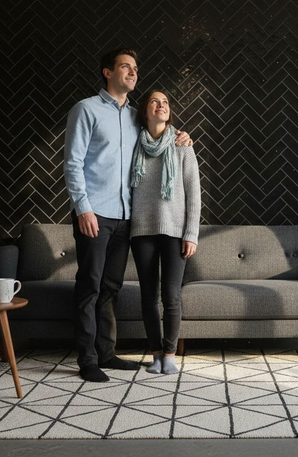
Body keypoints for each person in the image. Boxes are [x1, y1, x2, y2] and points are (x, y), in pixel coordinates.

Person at [63, 48, 192, 382]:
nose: (133, 72)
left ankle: (106, 353)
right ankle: (87, 360)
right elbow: (73, 162)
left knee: (110, 288)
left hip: (126, 217)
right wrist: (83, 208)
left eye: (135, 67)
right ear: (108, 72)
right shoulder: (86, 110)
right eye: (125, 67)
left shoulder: (136, 116)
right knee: (89, 286)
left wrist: (182, 135)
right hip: (94, 214)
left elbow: (159, 133)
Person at [129, 89, 201, 375]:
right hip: (141, 230)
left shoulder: (182, 145)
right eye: (154, 101)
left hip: (174, 230)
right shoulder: (132, 144)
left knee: (171, 296)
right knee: (148, 296)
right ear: (145, 111)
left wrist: (191, 233)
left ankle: (170, 354)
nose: (161, 105)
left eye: (166, 102)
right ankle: (156, 354)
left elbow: (194, 194)